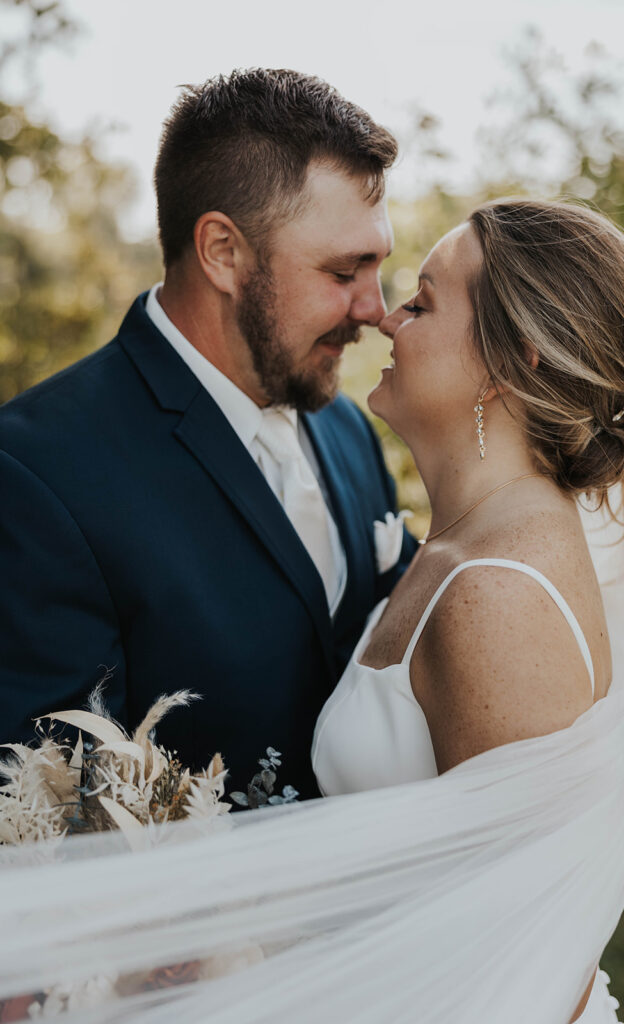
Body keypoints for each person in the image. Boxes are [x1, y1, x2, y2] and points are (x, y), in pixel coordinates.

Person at [0, 69, 416, 800]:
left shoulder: (349, 426)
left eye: (376, 264)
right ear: (222, 250)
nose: (374, 309)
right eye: (344, 269)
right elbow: (48, 814)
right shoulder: (34, 472)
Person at [312, 197, 624, 1021]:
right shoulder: (464, 549)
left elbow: (514, 970)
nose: (385, 318)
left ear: (515, 361)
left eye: (423, 300)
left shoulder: (496, 594)